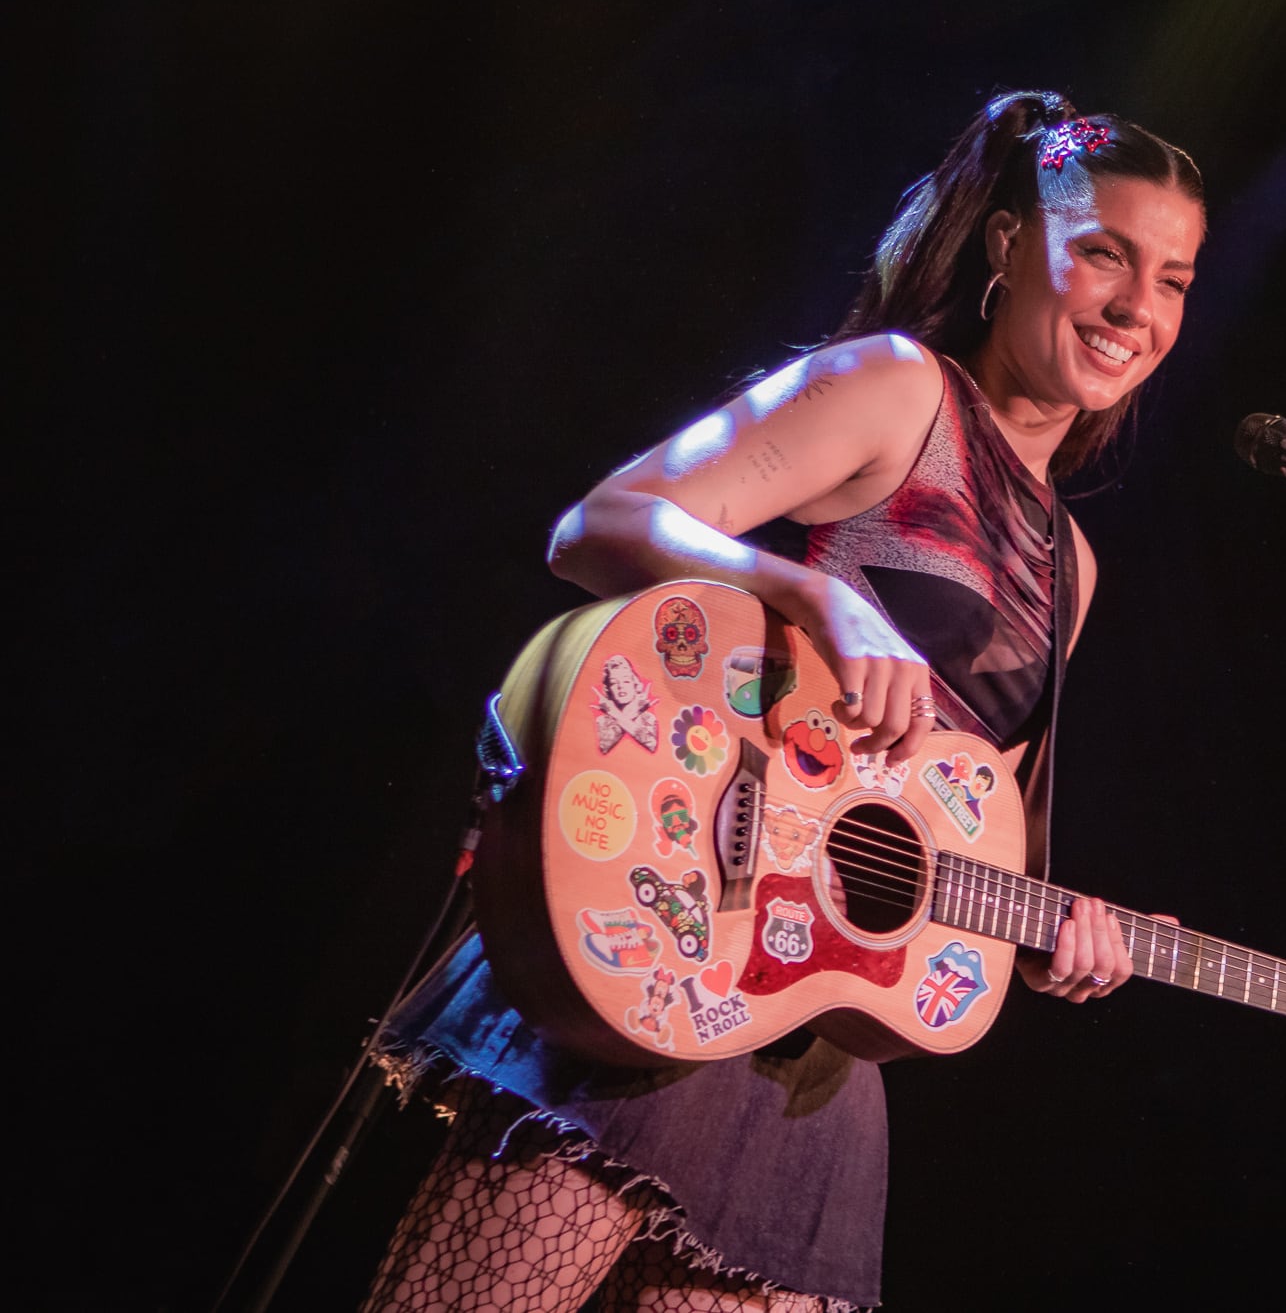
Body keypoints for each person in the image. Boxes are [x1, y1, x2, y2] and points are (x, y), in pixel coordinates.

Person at [362, 89, 1205, 1312]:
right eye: (1104, 253)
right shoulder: (894, 389)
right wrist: (815, 602)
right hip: (675, 941)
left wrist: (1042, 934)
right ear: (1012, 243)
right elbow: (600, 526)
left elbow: (963, 833)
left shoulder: (1073, 567)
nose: (1138, 307)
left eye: (1174, 278)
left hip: (813, 1055)